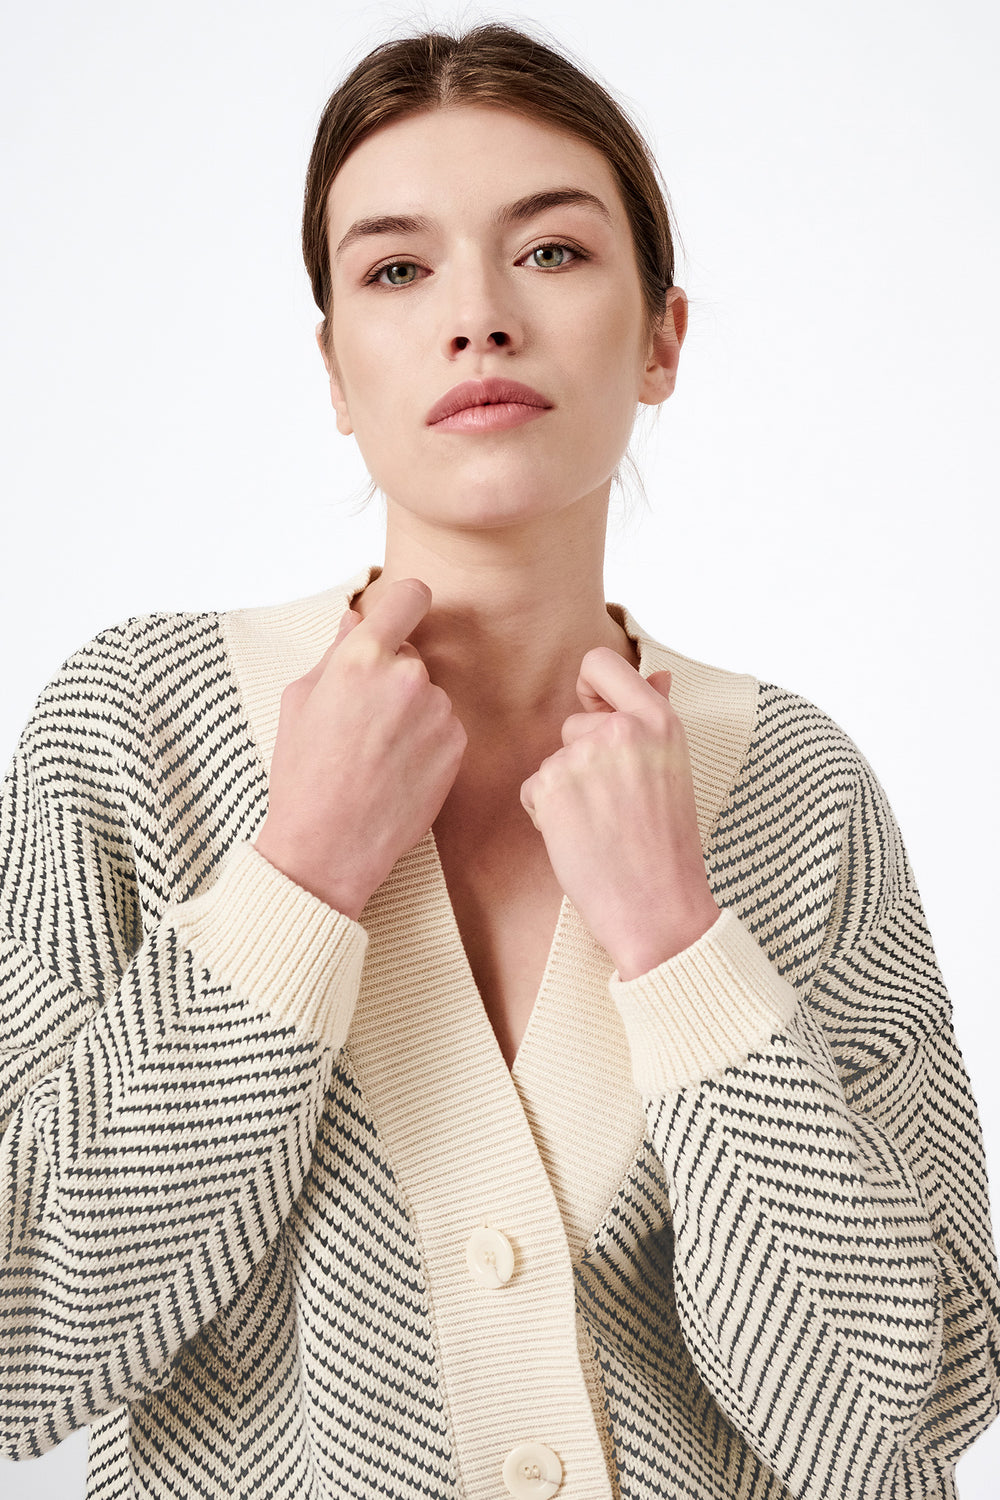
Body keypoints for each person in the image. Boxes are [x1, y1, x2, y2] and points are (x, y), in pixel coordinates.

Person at [1, 20, 998, 1500]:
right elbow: (23, 1349)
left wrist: (679, 947)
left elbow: (897, 1424)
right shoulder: (137, 728)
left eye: (551, 252)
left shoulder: (797, 786)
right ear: (335, 369)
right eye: (397, 271)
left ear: (661, 339)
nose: (477, 316)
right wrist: (296, 881)